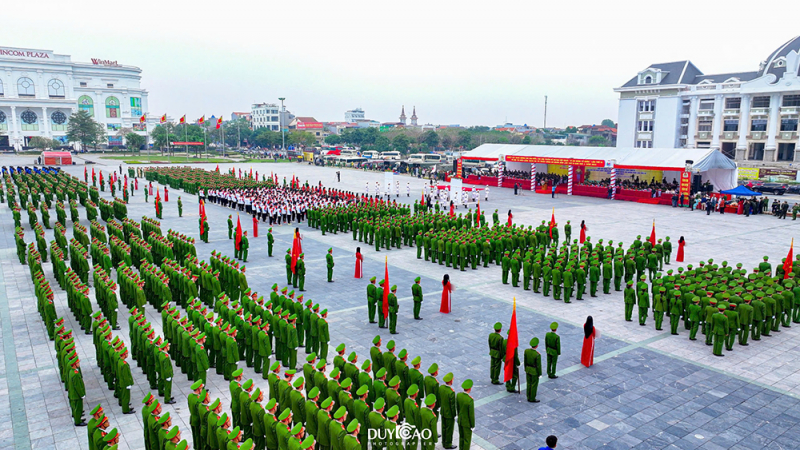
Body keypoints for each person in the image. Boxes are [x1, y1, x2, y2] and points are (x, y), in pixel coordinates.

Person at [523, 337, 541, 402]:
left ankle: (528, 396)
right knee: (534, 385)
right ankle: (532, 398)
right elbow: (538, 365)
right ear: (537, 346)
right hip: (534, 371)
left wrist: (525, 368)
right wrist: (540, 373)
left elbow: (525, 360)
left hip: (528, 369)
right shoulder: (537, 355)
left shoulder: (526, 351)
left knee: (528, 383)